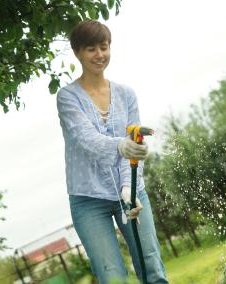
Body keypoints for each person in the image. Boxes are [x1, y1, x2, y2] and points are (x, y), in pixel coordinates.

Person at [56, 19, 169, 284]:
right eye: (91, 49)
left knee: (151, 265)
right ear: (77, 53)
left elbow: (135, 143)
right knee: (111, 275)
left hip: (129, 188)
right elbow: (86, 138)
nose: (99, 55)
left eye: (103, 47)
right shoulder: (67, 97)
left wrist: (130, 187)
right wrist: (120, 145)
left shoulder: (126, 95)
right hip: (88, 198)